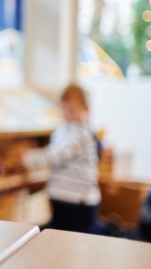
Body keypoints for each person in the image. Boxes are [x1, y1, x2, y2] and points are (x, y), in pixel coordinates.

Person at [22, 84, 101, 233]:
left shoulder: (82, 133)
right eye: (64, 109)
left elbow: (57, 155)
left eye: (72, 109)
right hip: (63, 199)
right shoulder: (64, 130)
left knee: (71, 242)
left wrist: (27, 159)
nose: (68, 114)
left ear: (86, 109)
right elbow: (52, 150)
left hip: (77, 202)